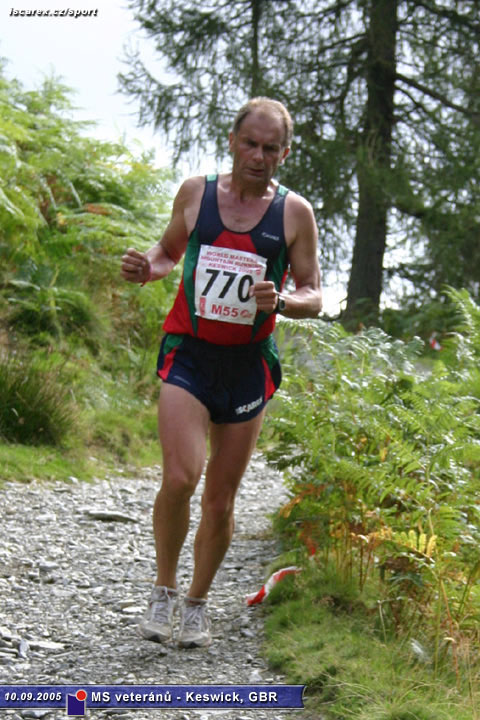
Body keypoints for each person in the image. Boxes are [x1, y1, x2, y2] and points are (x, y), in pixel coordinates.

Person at [121, 97, 322, 648]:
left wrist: (283, 300)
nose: (258, 156)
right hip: (189, 352)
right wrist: (147, 268)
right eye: (250, 144)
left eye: (270, 148)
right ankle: (163, 589)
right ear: (232, 141)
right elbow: (168, 251)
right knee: (180, 478)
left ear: (285, 153)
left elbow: (314, 293)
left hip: (246, 365)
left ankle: (195, 604)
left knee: (219, 499)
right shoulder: (197, 193)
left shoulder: (294, 213)